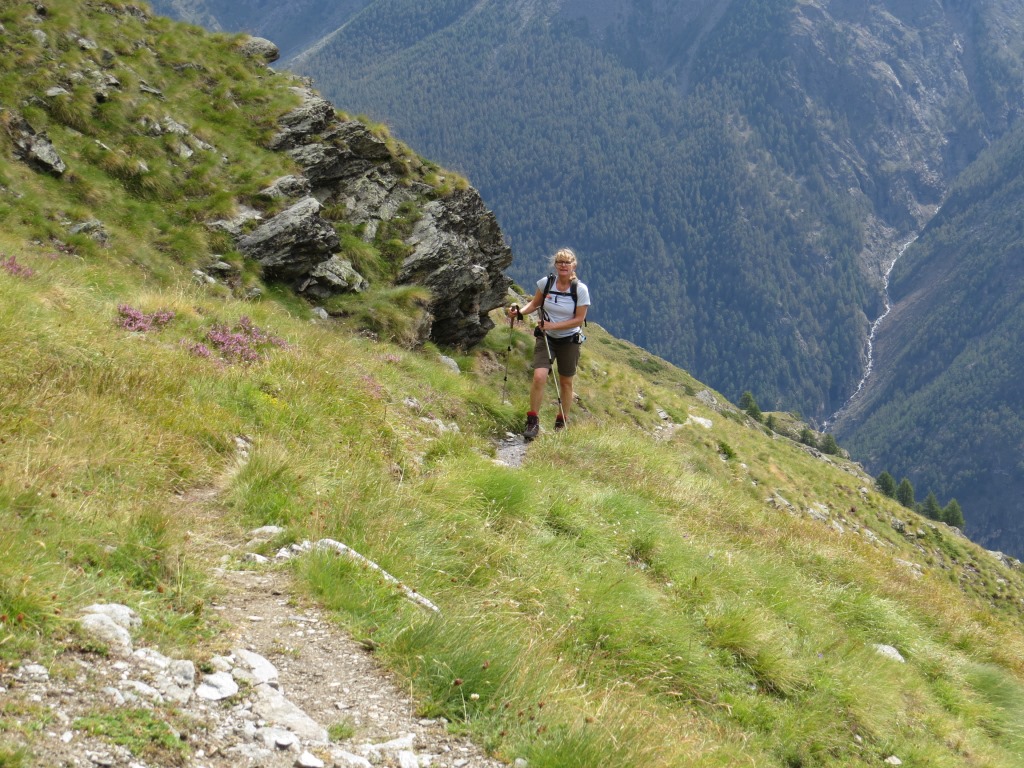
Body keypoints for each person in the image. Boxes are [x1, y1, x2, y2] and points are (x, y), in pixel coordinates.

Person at [507, 248, 591, 440]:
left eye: (567, 262)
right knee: (539, 376)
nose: (563, 265)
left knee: (566, 382)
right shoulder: (546, 284)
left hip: (569, 339)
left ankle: (561, 422)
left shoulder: (580, 289)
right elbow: (534, 304)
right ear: (555, 265)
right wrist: (520, 312)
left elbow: (579, 320)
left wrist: (554, 325)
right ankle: (533, 421)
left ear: (573, 266)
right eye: (560, 262)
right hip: (546, 337)